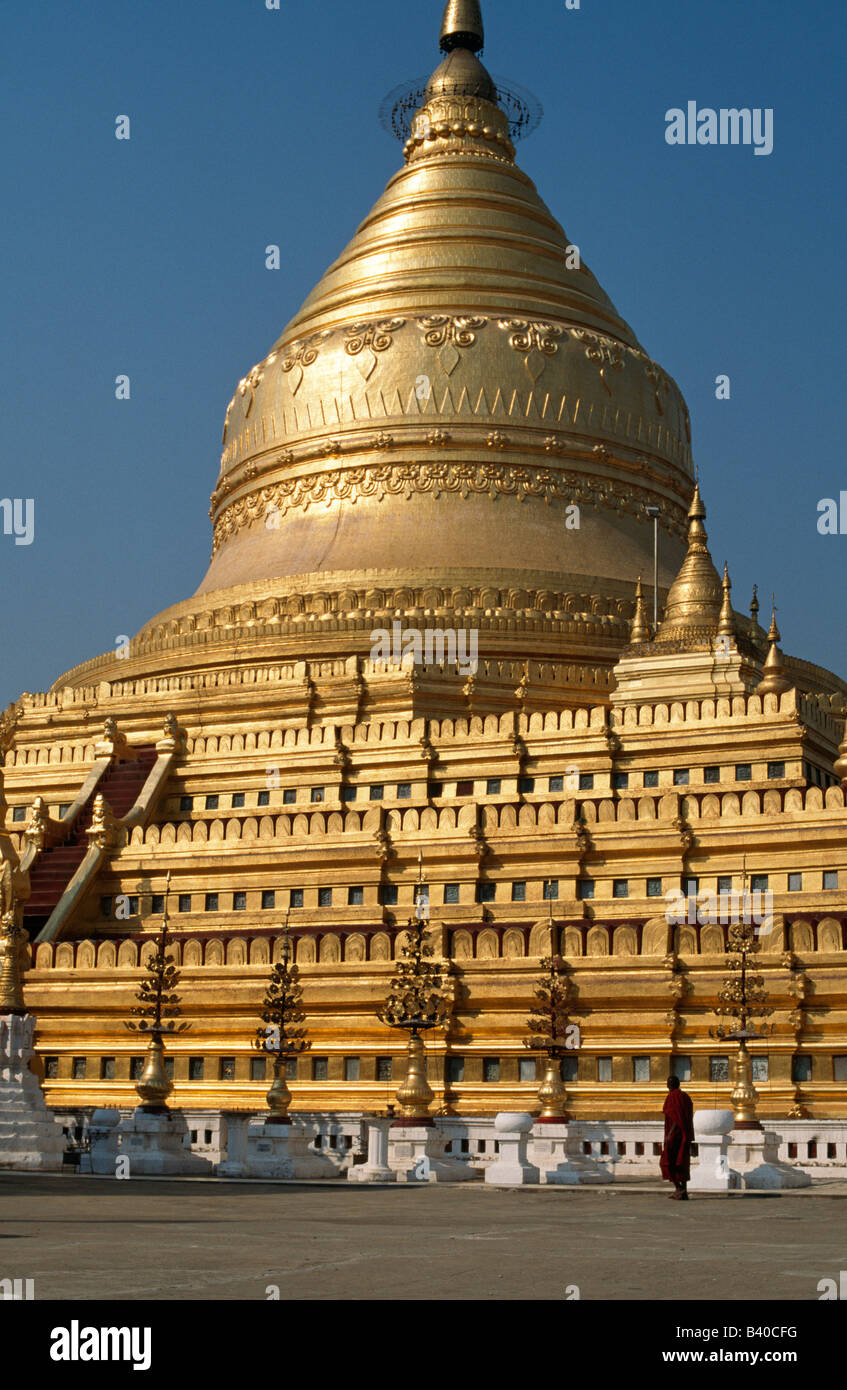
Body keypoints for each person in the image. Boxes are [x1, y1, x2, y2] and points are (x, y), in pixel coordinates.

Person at [660, 1074, 695, 1199]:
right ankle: (683, 1192)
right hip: (685, 1134)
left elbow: (676, 1117)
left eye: (669, 1083)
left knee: (667, 1162)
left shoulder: (673, 1097)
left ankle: (678, 1188)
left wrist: (670, 1133)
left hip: (675, 1135)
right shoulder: (685, 1096)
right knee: (682, 1162)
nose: (668, 1085)